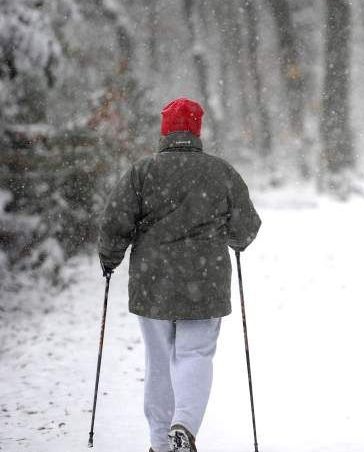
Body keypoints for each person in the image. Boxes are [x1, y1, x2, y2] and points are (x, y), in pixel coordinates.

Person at [98, 98, 261, 452]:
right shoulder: (221, 172)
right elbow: (247, 227)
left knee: (158, 361)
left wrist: (110, 258)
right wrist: (232, 237)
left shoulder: (142, 171)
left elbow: (115, 220)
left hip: (152, 281)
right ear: (197, 130)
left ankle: (159, 442)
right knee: (195, 355)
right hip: (205, 282)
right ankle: (183, 427)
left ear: (165, 130)